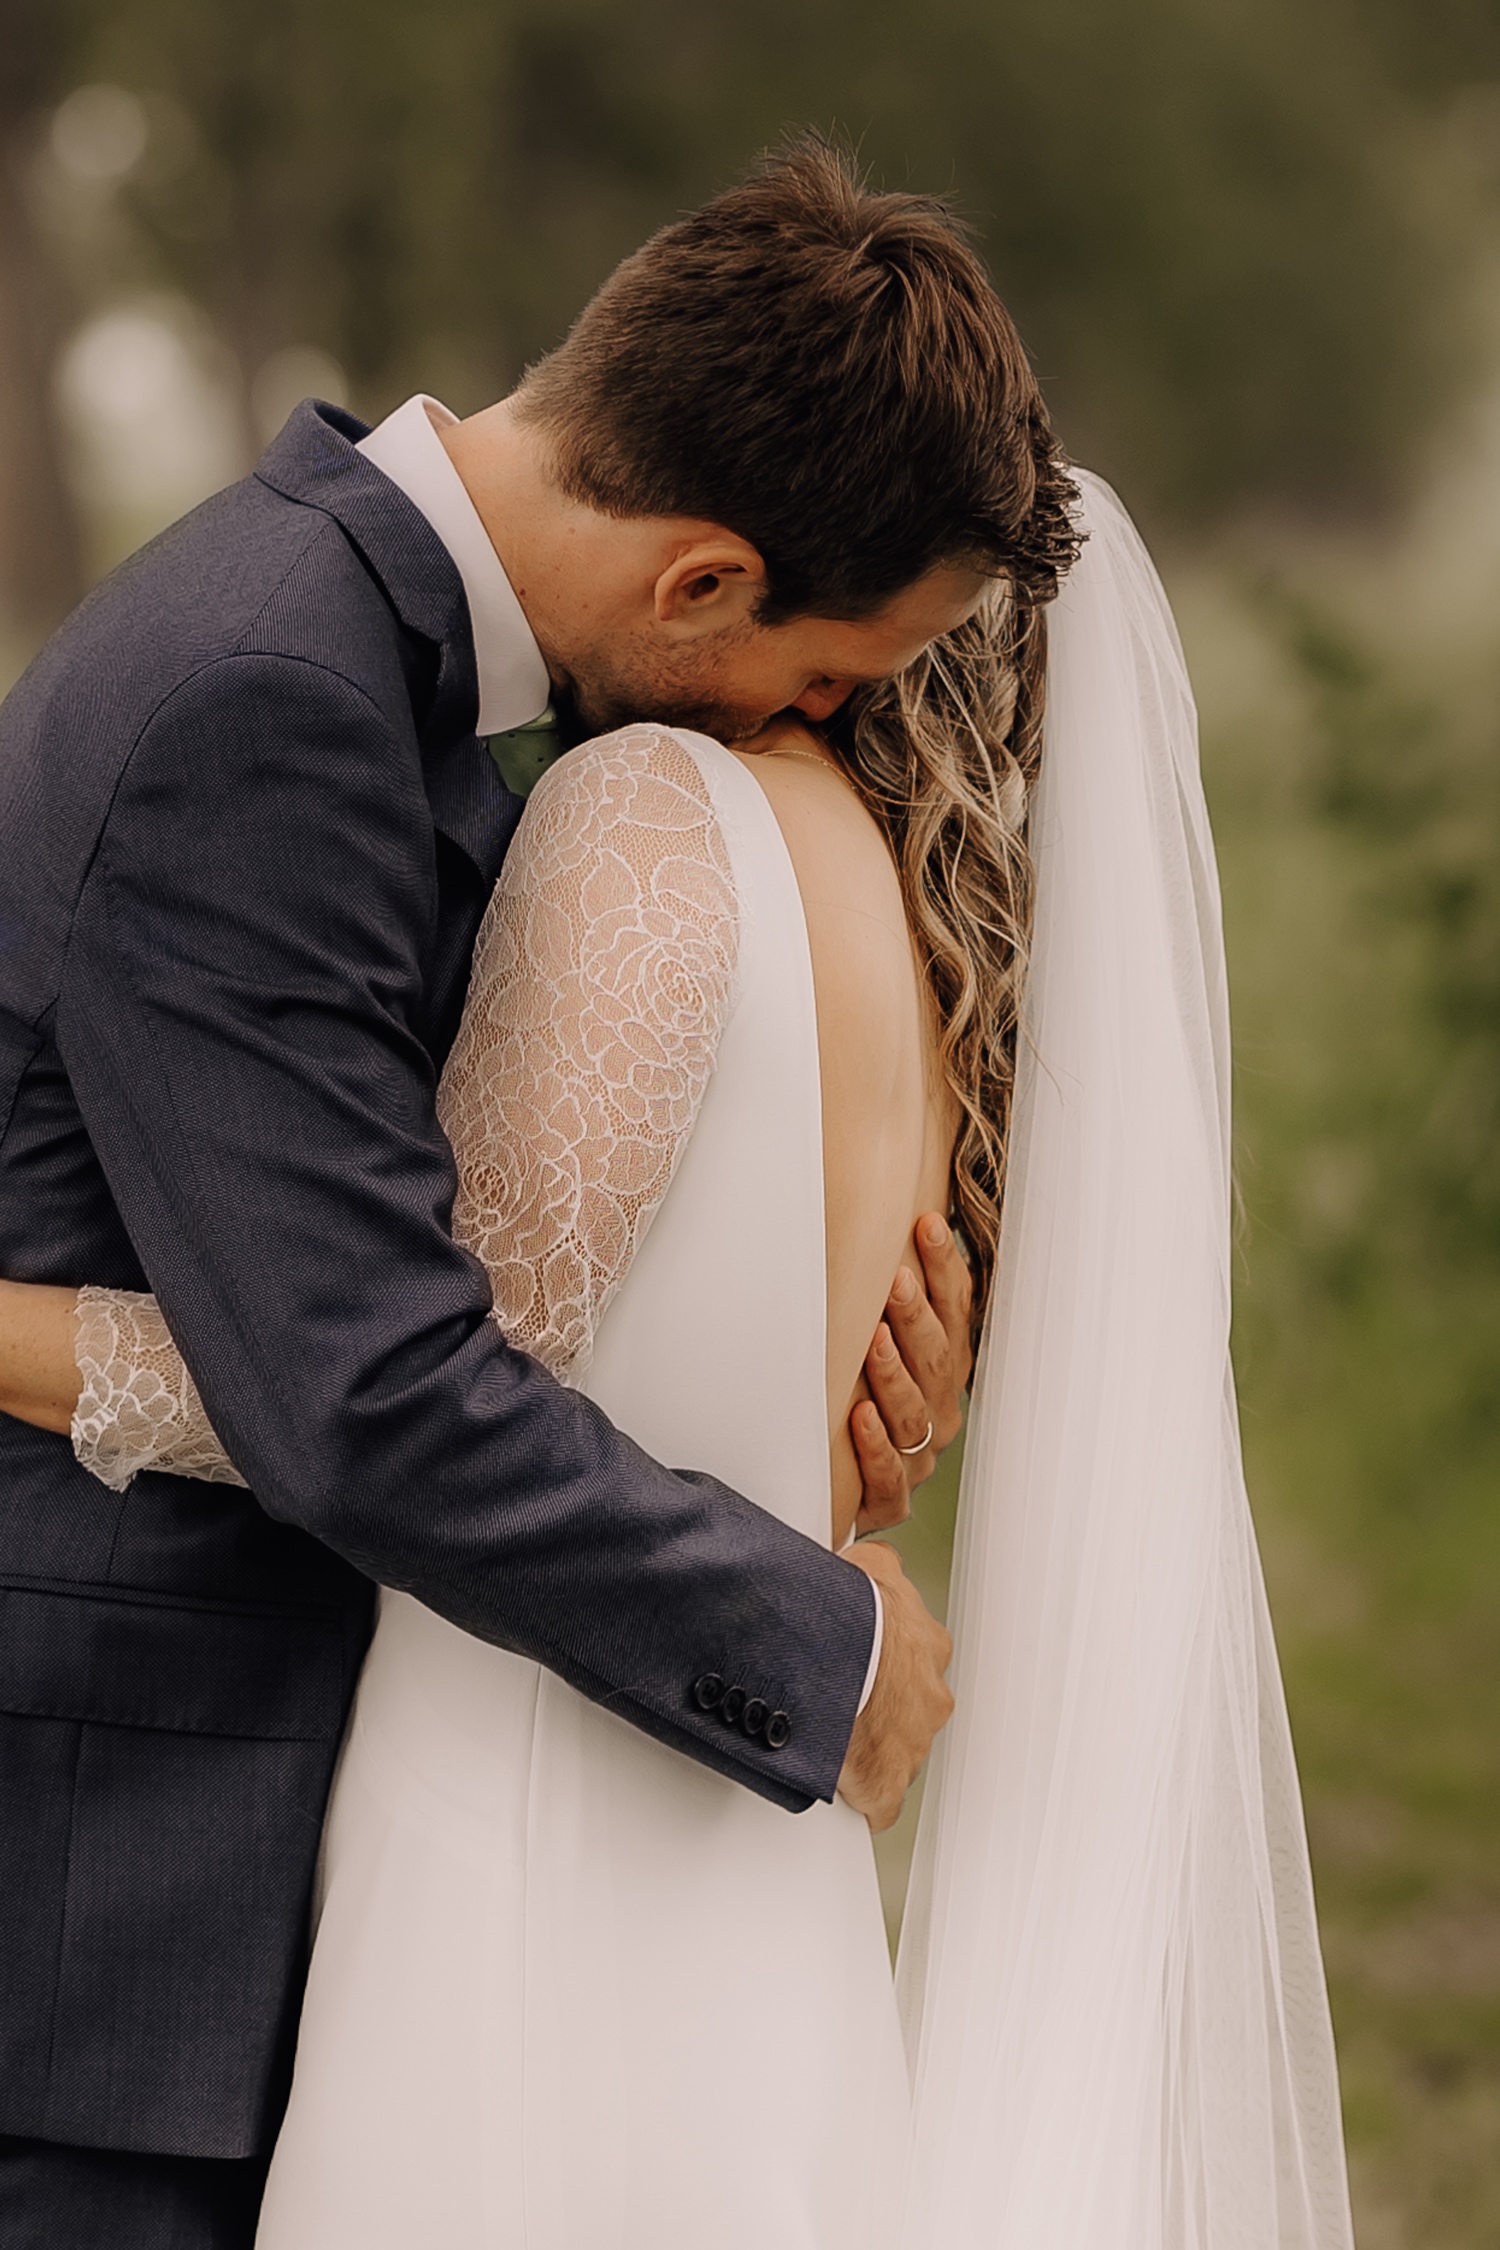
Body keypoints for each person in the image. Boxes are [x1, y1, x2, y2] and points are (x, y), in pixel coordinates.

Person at [0, 139, 1054, 2248]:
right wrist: (815, 1636)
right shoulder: (267, 693)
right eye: (827, 680)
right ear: (698, 582)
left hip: (247, 1872)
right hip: (117, 1901)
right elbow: (367, 1392)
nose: (810, 738)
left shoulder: (358, 662)